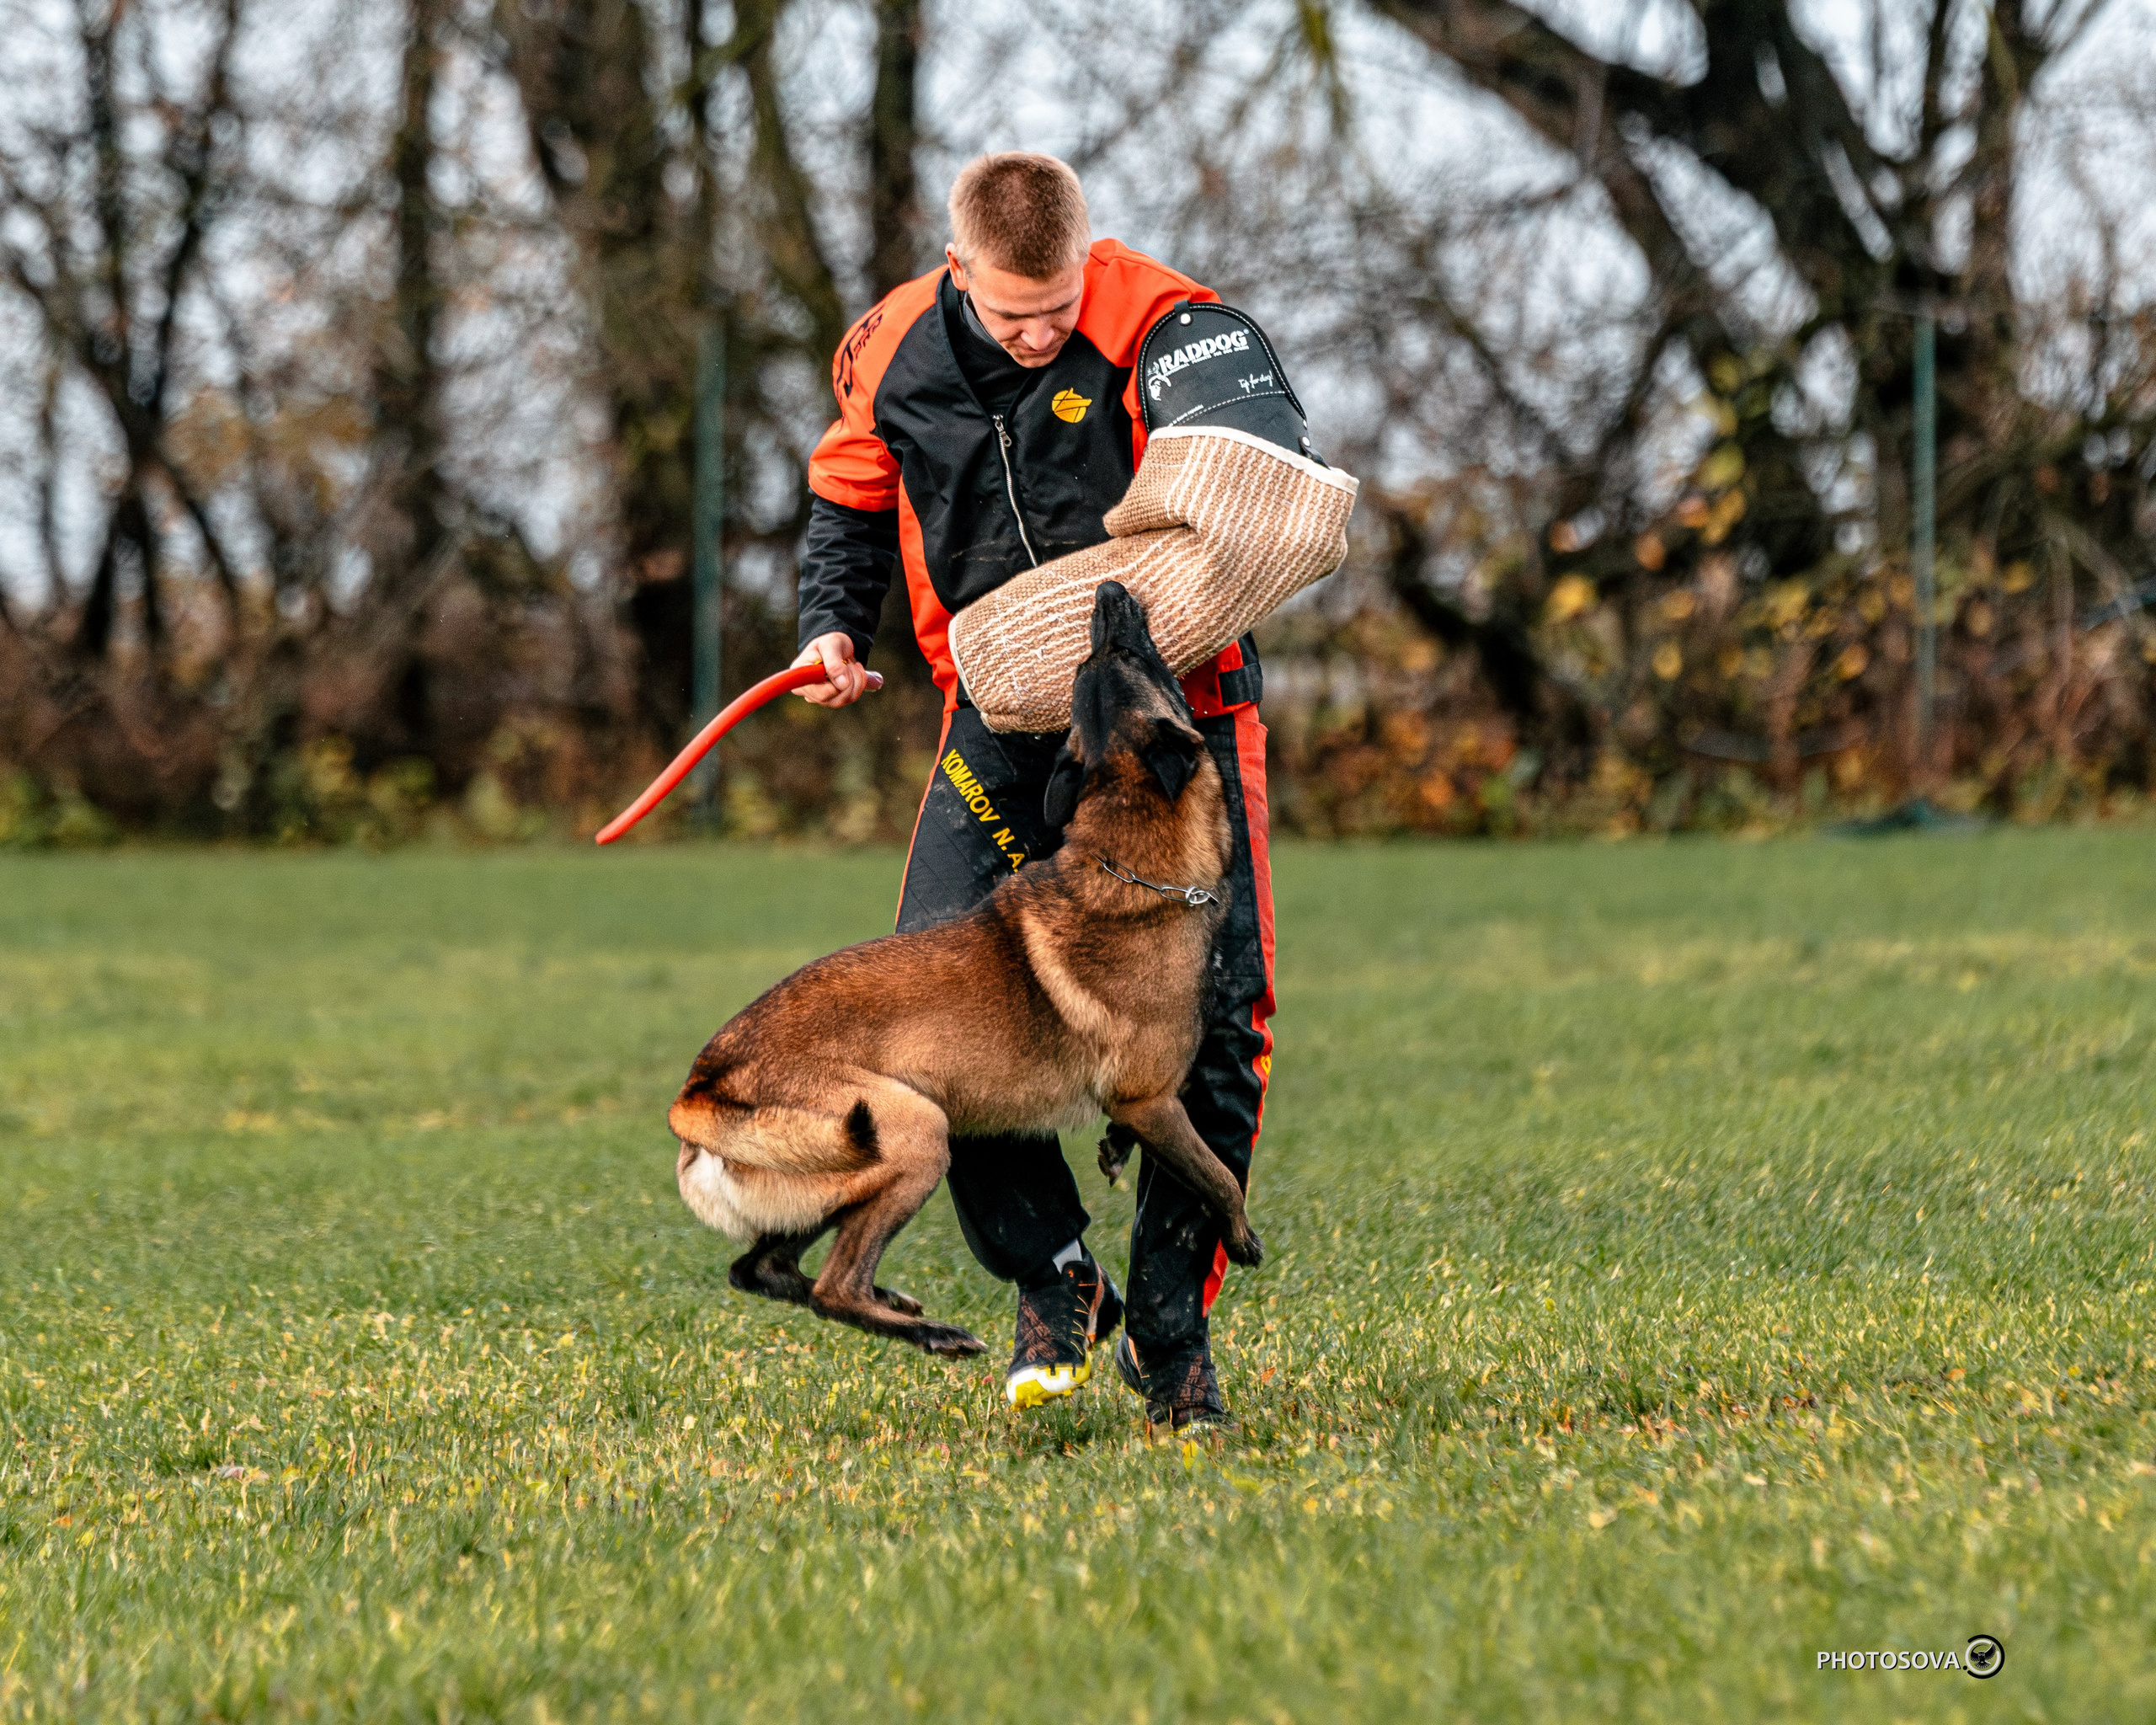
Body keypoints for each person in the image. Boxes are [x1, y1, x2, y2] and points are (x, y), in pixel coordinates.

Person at [792, 152, 1277, 1432]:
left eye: (1057, 306)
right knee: (925, 1000)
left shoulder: (1166, 322)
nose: (1040, 330)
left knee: (1223, 1028)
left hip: (1178, 718)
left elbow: (1252, 457)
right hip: (996, 718)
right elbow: (848, 495)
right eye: (1014, 315)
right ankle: (1057, 1272)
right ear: (958, 270)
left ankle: (1174, 1341)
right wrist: (831, 627)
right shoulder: (888, 348)